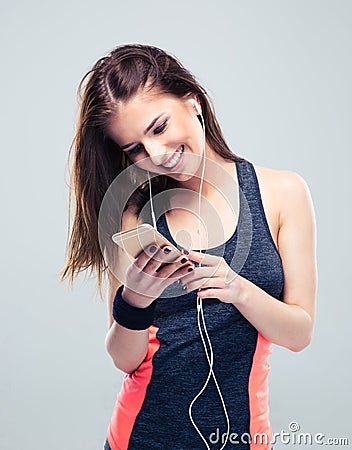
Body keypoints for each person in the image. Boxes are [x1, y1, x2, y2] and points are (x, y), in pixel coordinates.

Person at [61, 44, 317, 450]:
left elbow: (300, 332)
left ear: (191, 101)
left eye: (159, 128)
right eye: (135, 149)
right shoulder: (133, 217)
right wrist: (135, 300)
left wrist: (238, 289)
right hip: (141, 436)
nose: (156, 155)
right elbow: (124, 359)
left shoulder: (282, 193)